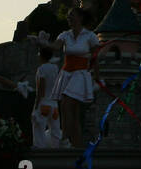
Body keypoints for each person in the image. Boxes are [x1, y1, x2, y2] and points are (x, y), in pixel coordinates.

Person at [39, 9, 100, 149]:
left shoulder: (90, 36)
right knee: (74, 111)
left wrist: (97, 78)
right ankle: (76, 145)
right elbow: (55, 46)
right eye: (68, 16)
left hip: (80, 74)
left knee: (66, 102)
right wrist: (43, 43)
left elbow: (95, 58)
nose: (68, 18)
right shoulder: (65, 35)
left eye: (71, 15)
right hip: (67, 73)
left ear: (80, 17)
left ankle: (65, 138)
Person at [33, 44, 62, 148]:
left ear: (41, 56)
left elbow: (41, 88)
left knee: (39, 129)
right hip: (54, 105)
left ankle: (39, 149)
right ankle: (56, 149)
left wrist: (36, 106)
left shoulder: (41, 69)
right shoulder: (55, 68)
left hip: (43, 104)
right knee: (55, 130)